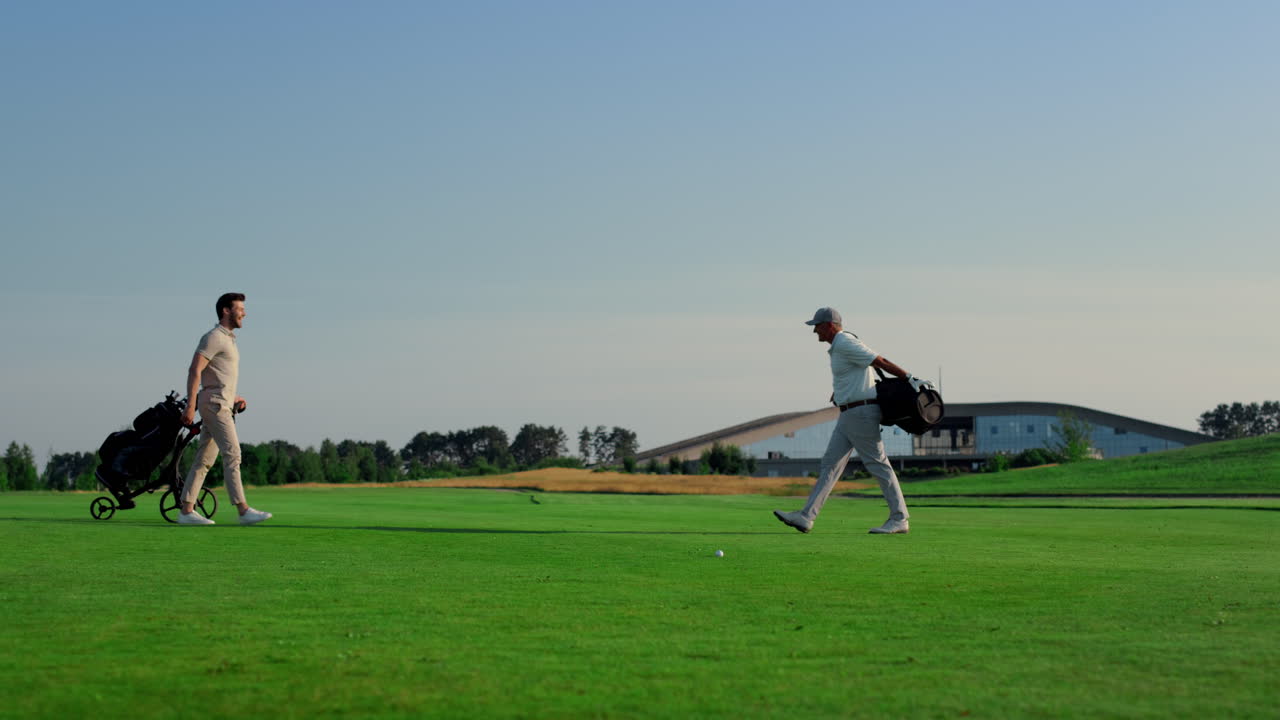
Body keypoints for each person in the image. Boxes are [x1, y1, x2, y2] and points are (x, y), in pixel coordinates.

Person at [773, 307, 912, 534]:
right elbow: (854, 374)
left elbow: (879, 360)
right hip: (849, 414)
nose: (815, 331)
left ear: (829, 325)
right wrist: (839, 393)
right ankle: (806, 517)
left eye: (817, 326)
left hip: (860, 413)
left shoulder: (845, 342)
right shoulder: (838, 347)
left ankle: (899, 518)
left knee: (877, 463)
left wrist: (908, 377)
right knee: (830, 464)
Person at [176, 293, 272, 526]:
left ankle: (186, 511)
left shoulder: (228, 339)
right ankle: (243, 510)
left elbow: (219, 376)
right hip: (215, 405)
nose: (244, 313)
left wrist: (234, 397)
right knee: (233, 454)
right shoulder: (213, 337)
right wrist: (190, 405)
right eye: (240, 308)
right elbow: (194, 370)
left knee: (205, 459)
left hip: (222, 402)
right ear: (226, 311)